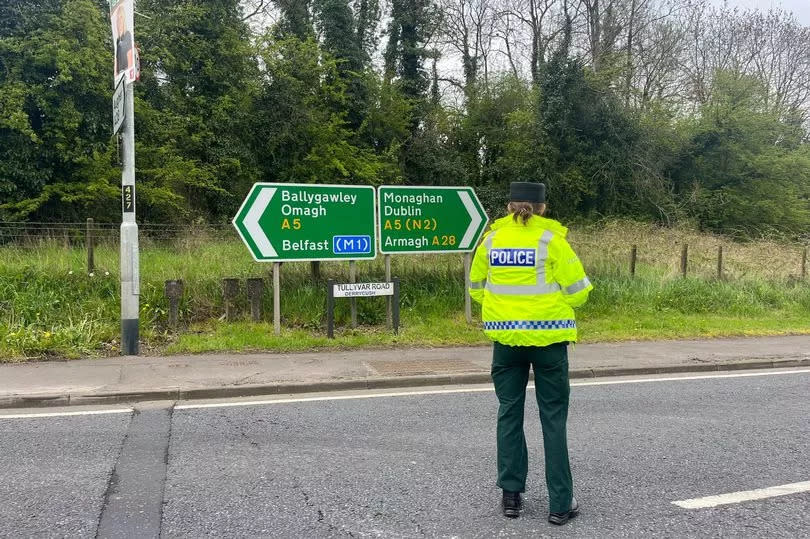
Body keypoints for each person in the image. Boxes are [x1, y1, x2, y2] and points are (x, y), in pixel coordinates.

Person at [469, 182, 593, 525]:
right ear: (542, 207)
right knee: (552, 419)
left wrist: (508, 309)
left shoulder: (491, 241)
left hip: (506, 341)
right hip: (549, 342)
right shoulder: (552, 240)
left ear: (509, 205)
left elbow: (476, 288)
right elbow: (579, 291)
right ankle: (560, 504)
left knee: (509, 413)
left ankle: (511, 497)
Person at [114, 6, 133, 78]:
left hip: (126, 71)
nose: (119, 20)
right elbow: (116, 58)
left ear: (124, 19)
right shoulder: (118, 39)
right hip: (119, 73)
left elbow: (130, 54)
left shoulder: (127, 34)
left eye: (121, 17)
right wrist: (115, 74)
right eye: (118, 18)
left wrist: (129, 74)